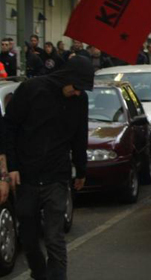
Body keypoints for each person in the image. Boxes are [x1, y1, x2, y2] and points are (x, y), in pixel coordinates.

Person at [5, 56, 94, 280]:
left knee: (55, 236)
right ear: (66, 78)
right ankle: (39, 272)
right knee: (28, 236)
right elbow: (8, 127)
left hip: (57, 174)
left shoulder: (79, 101)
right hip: (27, 175)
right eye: (76, 88)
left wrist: (81, 170)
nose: (77, 93)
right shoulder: (32, 90)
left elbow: (79, 137)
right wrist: (12, 167)